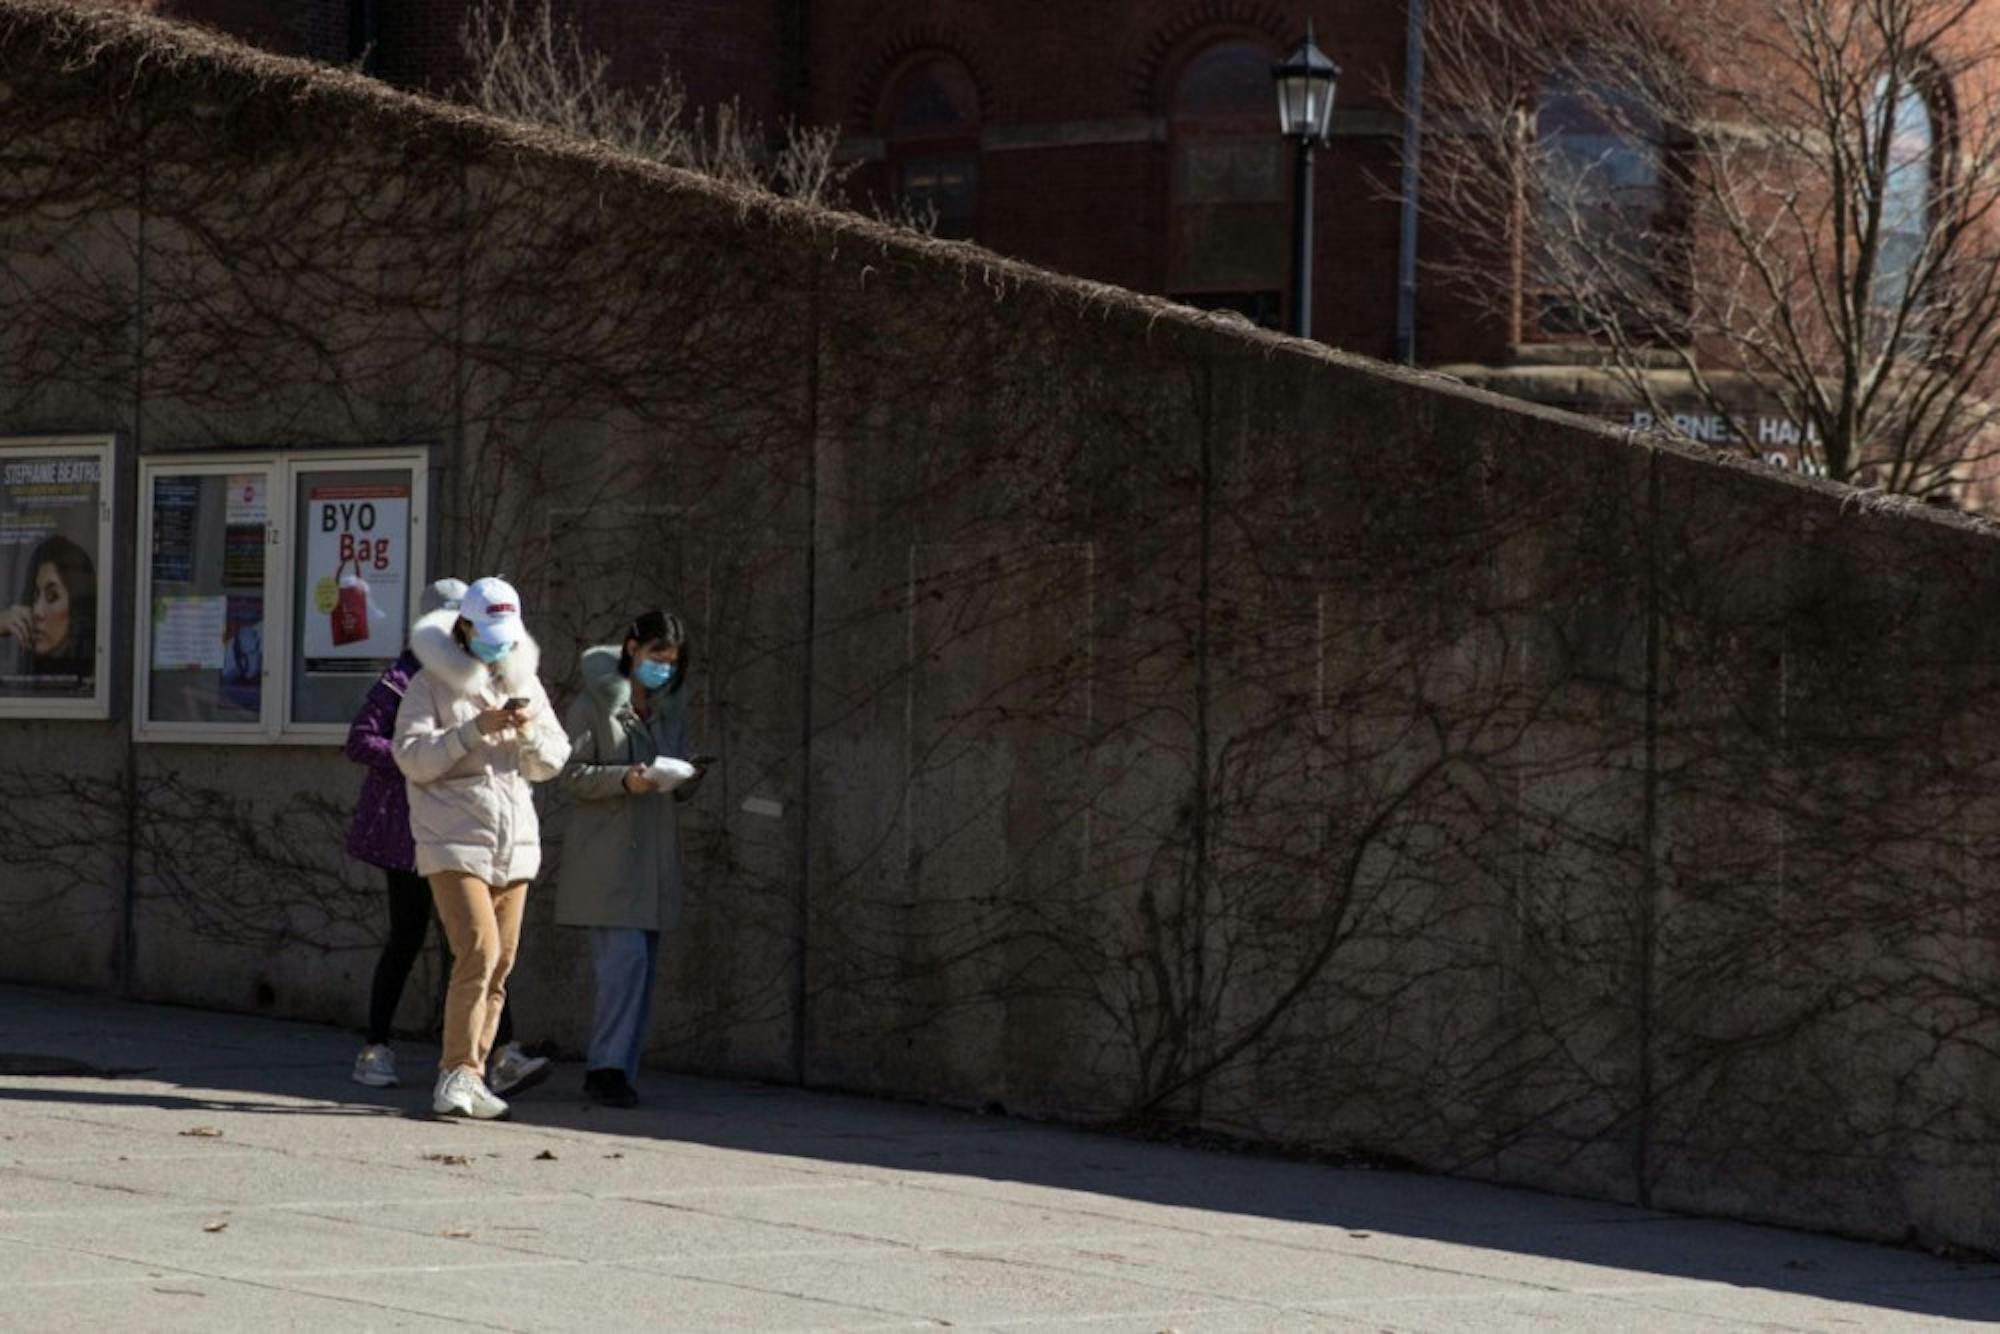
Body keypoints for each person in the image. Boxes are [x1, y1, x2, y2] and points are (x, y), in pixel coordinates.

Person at [345, 577, 549, 1100]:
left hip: (495, 835)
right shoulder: (407, 678)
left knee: (489, 953)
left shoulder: (513, 676)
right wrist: (431, 760)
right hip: (410, 829)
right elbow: (369, 740)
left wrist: (526, 733)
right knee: (427, 938)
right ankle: (386, 1047)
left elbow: (552, 754)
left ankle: (492, 1056)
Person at [393, 576, 570, 1120]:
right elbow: (412, 758)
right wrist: (472, 731)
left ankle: (472, 1074)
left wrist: (527, 733)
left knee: (500, 965)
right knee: (479, 951)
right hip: (452, 841)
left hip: (513, 844)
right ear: (464, 627)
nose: (499, 646)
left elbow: (554, 758)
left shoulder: (524, 679)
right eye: (489, 635)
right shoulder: (429, 683)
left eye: (506, 636)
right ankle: (453, 1073)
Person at [555, 610, 707, 1107]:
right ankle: (606, 1068)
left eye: (672, 661)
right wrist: (624, 778)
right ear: (632, 649)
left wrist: (686, 776)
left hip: (653, 859)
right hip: (608, 859)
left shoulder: (669, 709)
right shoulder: (592, 704)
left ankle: (620, 1069)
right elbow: (569, 774)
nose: (664, 668)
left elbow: (674, 777)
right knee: (625, 965)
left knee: (641, 972)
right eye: (657, 657)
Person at [0, 534, 95, 683]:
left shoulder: (91, 684)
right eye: (34, 596)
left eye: (52, 596)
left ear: (76, 607)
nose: (37, 612)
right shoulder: (20, 674)